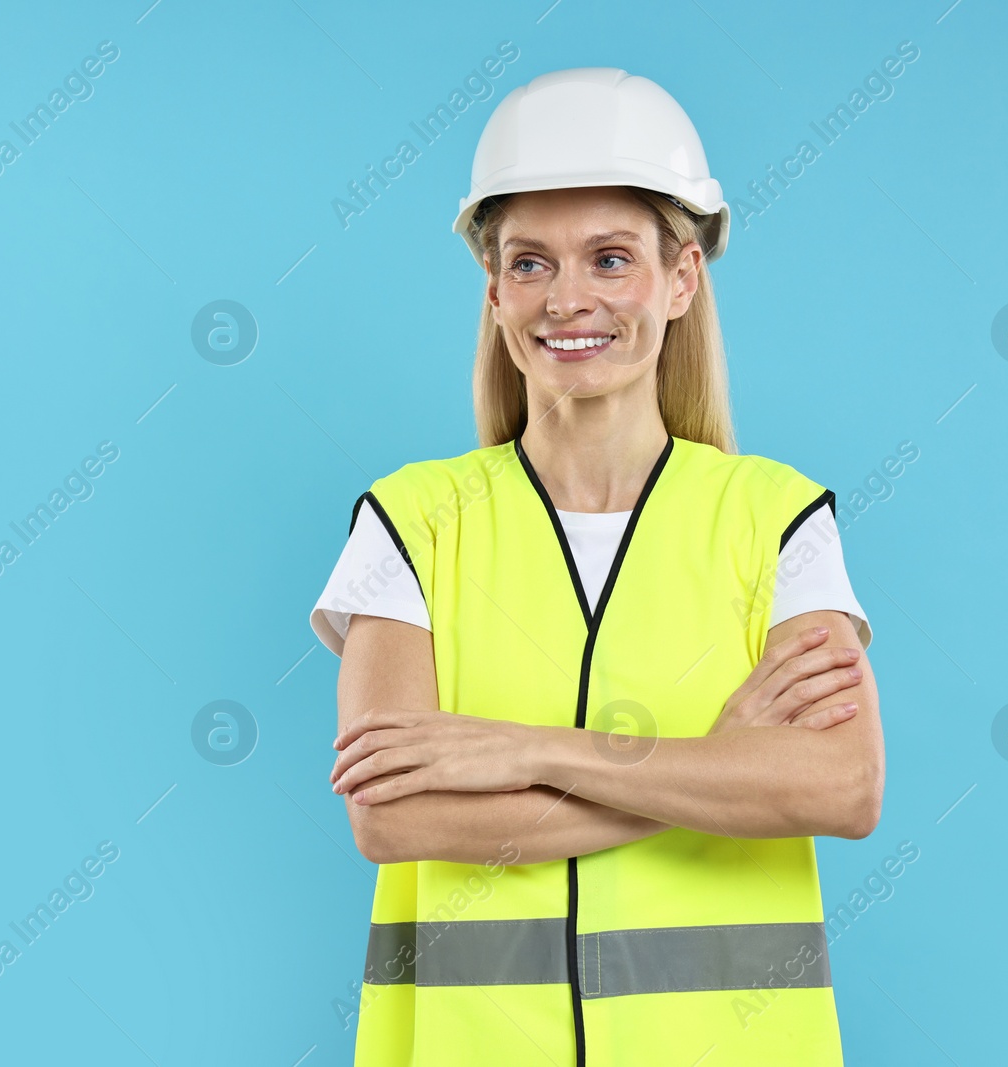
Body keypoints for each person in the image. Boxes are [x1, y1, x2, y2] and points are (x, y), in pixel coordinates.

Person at [308, 67, 883, 1067]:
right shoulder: (409, 522)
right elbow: (392, 813)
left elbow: (841, 785)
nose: (565, 298)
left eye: (609, 259)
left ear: (680, 277)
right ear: (493, 292)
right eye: (529, 264)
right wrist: (713, 758)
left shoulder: (777, 520)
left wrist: (530, 749)